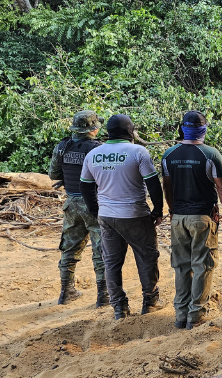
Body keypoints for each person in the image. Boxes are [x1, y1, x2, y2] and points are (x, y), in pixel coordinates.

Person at [79, 114, 165, 320]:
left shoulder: (93, 154)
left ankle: (119, 307)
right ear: (130, 131)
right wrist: (158, 210)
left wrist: (96, 211)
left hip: (107, 216)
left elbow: (85, 186)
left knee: (111, 262)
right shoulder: (138, 152)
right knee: (146, 257)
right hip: (135, 214)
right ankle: (150, 301)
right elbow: (153, 184)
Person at [162, 111, 222, 330]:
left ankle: (180, 314)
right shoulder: (210, 154)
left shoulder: (169, 154)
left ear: (183, 129)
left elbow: (167, 186)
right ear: (203, 130)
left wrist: (172, 210)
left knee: (181, 265)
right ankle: (196, 314)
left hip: (178, 217)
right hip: (203, 217)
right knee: (203, 265)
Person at [48, 110, 106, 307]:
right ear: (93, 129)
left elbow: (53, 174)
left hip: (72, 203)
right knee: (101, 248)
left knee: (69, 248)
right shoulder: (99, 149)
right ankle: (104, 295)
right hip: (94, 203)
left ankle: (66, 292)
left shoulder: (62, 147)